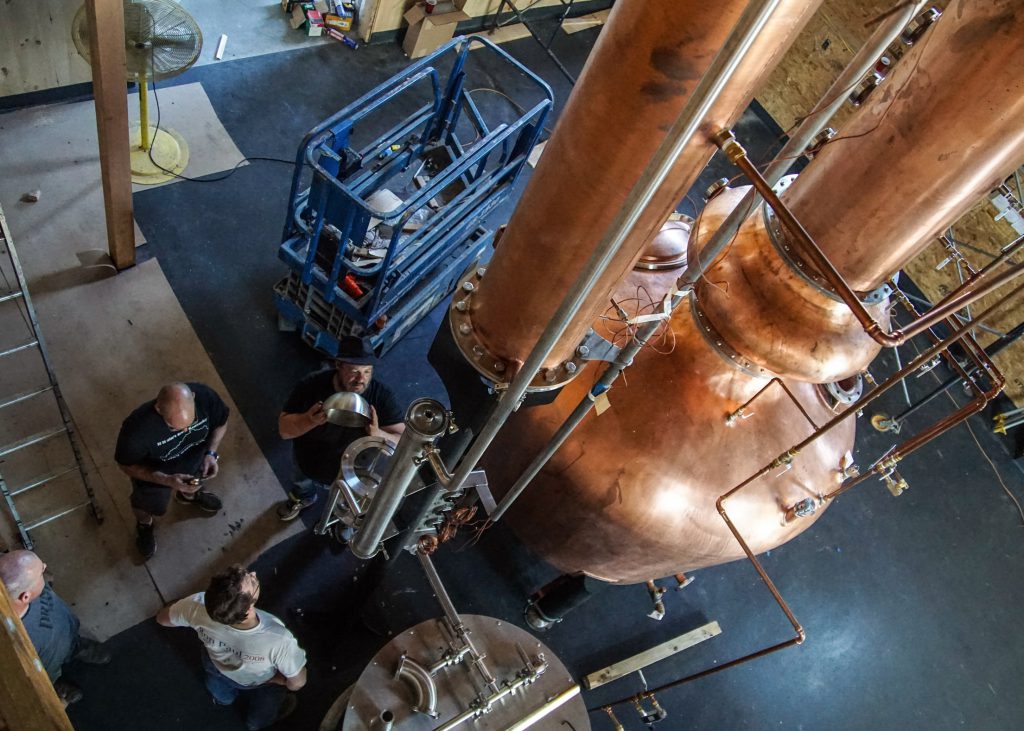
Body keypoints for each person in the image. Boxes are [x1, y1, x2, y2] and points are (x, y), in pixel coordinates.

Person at [156, 565, 306, 730]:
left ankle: (223, 699)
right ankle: (255, 723)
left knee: (218, 686)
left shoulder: (195, 606)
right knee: (263, 710)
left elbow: (162, 619)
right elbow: (297, 683)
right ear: (248, 608)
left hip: (215, 665)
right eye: (251, 579)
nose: (254, 573)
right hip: (258, 681)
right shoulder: (279, 640)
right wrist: (279, 679)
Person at [276, 337, 404, 521]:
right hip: (307, 461)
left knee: (347, 502)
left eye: (367, 372)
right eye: (354, 371)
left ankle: (345, 517)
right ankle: (303, 498)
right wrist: (309, 420)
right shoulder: (312, 386)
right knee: (301, 483)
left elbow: (403, 440)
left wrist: (379, 434)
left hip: (352, 472)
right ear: (338, 365)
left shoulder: (380, 396)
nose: (361, 380)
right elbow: (284, 430)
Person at [115, 382, 230, 560]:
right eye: (174, 427)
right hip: (156, 476)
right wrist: (167, 480)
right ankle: (144, 524)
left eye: (190, 423)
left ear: (193, 396)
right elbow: (125, 465)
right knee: (145, 505)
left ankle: (188, 496)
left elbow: (221, 422)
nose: (186, 431)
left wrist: (211, 454)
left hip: (196, 460)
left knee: (195, 483)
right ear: (159, 409)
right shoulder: (136, 431)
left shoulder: (205, 397)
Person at [0, 550, 111, 706]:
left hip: (66, 632)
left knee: (72, 642)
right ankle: (56, 686)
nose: (45, 567)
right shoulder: (15, 641)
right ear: (25, 596)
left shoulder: (6, 573)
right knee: (47, 676)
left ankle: (78, 648)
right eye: (41, 572)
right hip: (48, 663)